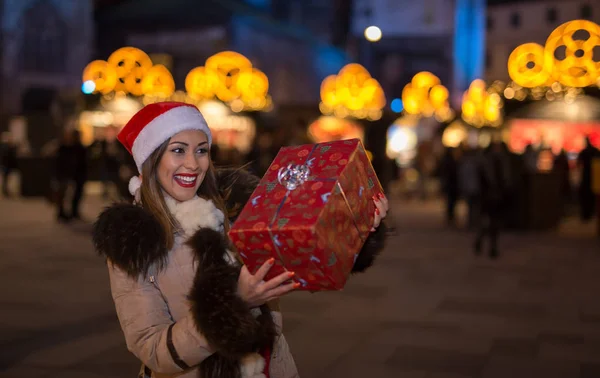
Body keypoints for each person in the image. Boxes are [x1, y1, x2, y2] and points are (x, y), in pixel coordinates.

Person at [92, 102, 389, 378]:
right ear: (151, 160)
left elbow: (304, 256)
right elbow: (154, 349)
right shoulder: (133, 240)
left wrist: (357, 224)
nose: (193, 164)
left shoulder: (236, 208)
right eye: (178, 150)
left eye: (202, 150)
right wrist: (235, 303)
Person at [55, 129, 88, 221]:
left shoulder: (78, 148)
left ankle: (72, 212)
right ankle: (63, 213)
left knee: (75, 194)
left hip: (76, 174)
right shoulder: (65, 148)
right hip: (67, 174)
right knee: (64, 194)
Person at [0, 132, 18, 197]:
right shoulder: (6, 147)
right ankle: (5, 191)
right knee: (5, 179)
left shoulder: (4, 146)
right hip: (5, 165)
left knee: (5, 179)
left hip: (5, 165)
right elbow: (8, 157)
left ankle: (5, 191)